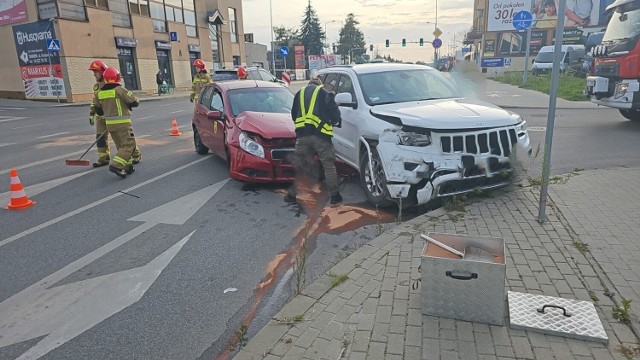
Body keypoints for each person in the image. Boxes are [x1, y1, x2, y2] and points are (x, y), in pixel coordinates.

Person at [285, 77, 343, 205]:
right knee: (328, 166)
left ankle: (292, 194)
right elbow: (335, 113)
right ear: (319, 85)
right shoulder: (324, 92)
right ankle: (335, 196)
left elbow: (294, 114)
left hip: (302, 137)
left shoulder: (299, 94)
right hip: (321, 136)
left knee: (301, 167)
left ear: (309, 84)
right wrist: (334, 120)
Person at [93, 67, 140, 178]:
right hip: (123, 124)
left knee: (121, 147)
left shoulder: (99, 93)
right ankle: (116, 165)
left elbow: (98, 109)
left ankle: (128, 167)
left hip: (110, 126)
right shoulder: (119, 90)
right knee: (129, 145)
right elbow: (135, 101)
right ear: (117, 77)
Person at [88, 60, 111, 168]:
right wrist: (92, 113)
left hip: (112, 116)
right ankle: (103, 159)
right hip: (100, 117)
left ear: (102, 71)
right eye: (93, 72)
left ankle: (135, 155)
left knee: (122, 138)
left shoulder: (111, 84)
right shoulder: (96, 87)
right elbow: (95, 101)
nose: (94, 75)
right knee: (100, 139)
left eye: (95, 72)